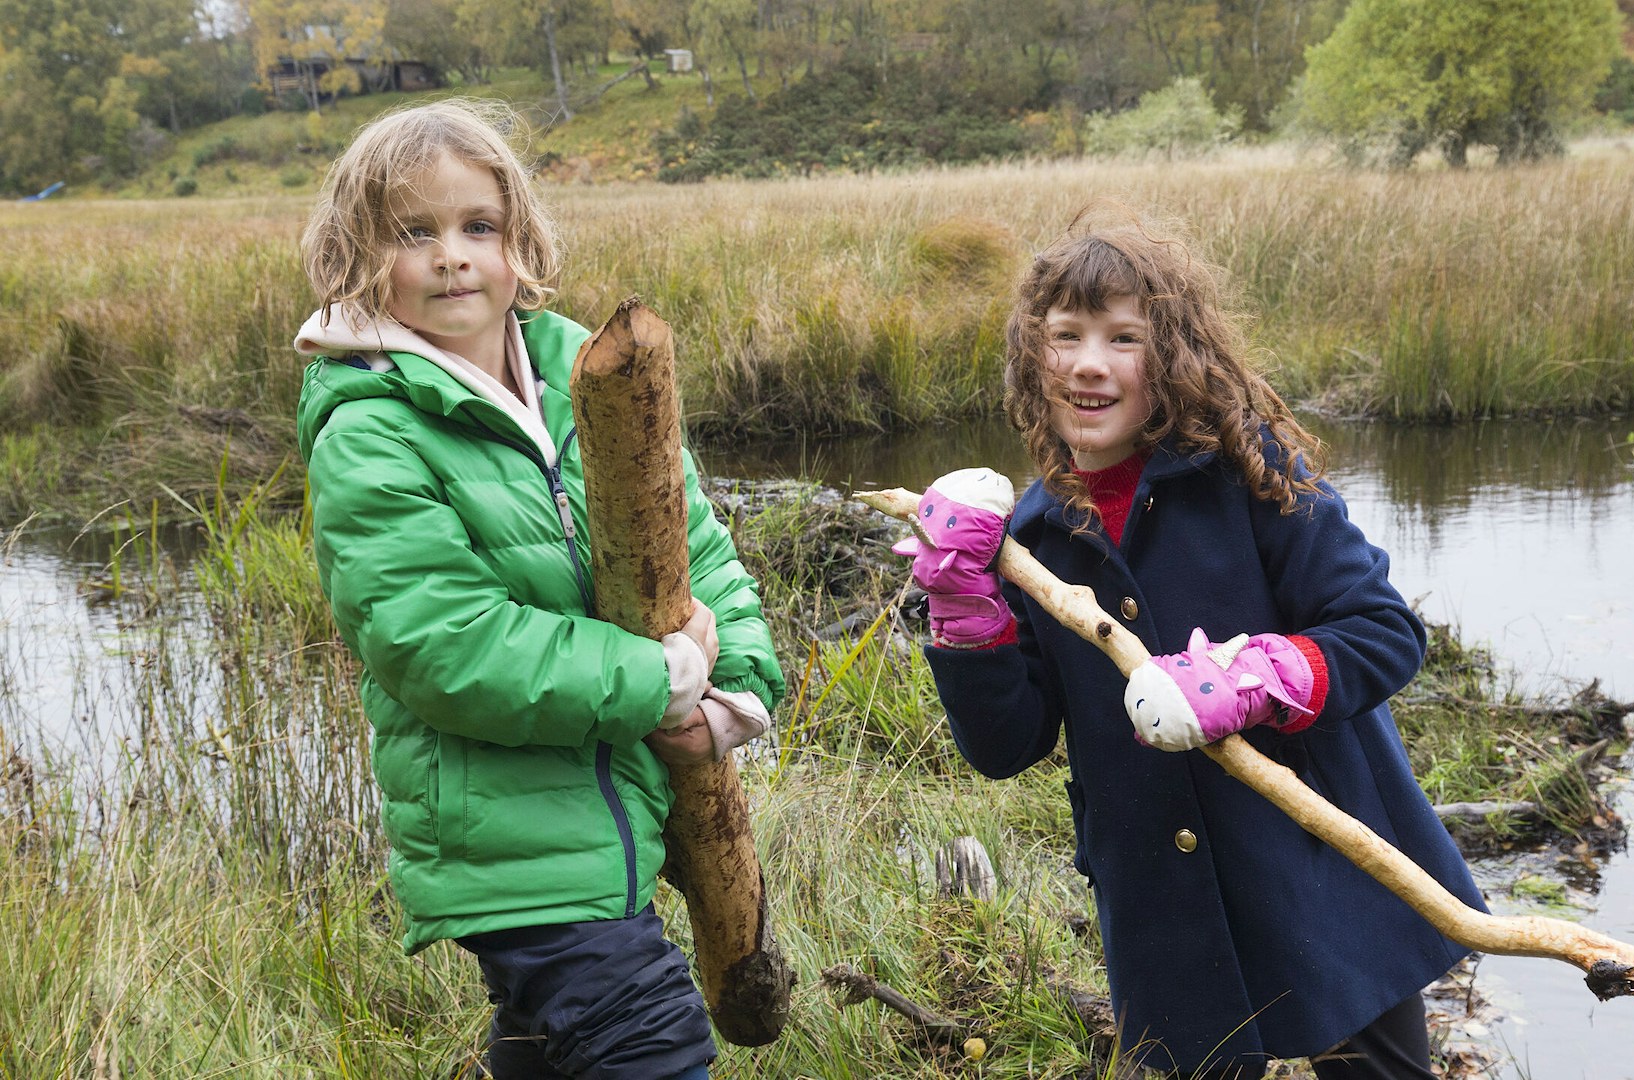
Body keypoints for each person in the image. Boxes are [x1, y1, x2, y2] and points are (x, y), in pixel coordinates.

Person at [898, 212, 1486, 1079]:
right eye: (1065, 336)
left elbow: (1382, 631)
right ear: (1035, 358)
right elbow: (1003, 745)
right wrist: (962, 607)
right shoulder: (1030, 538)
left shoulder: (1254, 473)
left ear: (1171, 359)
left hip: (1319, 859)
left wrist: (1254, 677)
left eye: (1123, 337)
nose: (1089, 363)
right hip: (1157, 897)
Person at [293, 98, 784, 1080]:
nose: (452, 257)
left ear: (520, 241)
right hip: (508, 840)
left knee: (543, 1048)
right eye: (414, 233)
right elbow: (444, 644)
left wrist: (734, 693)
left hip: (619, 811)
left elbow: (694, 544)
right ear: (358, 253)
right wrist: (657, 678)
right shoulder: (370, 426)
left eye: (479, 227)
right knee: (653, 1047)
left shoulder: (593, 371)